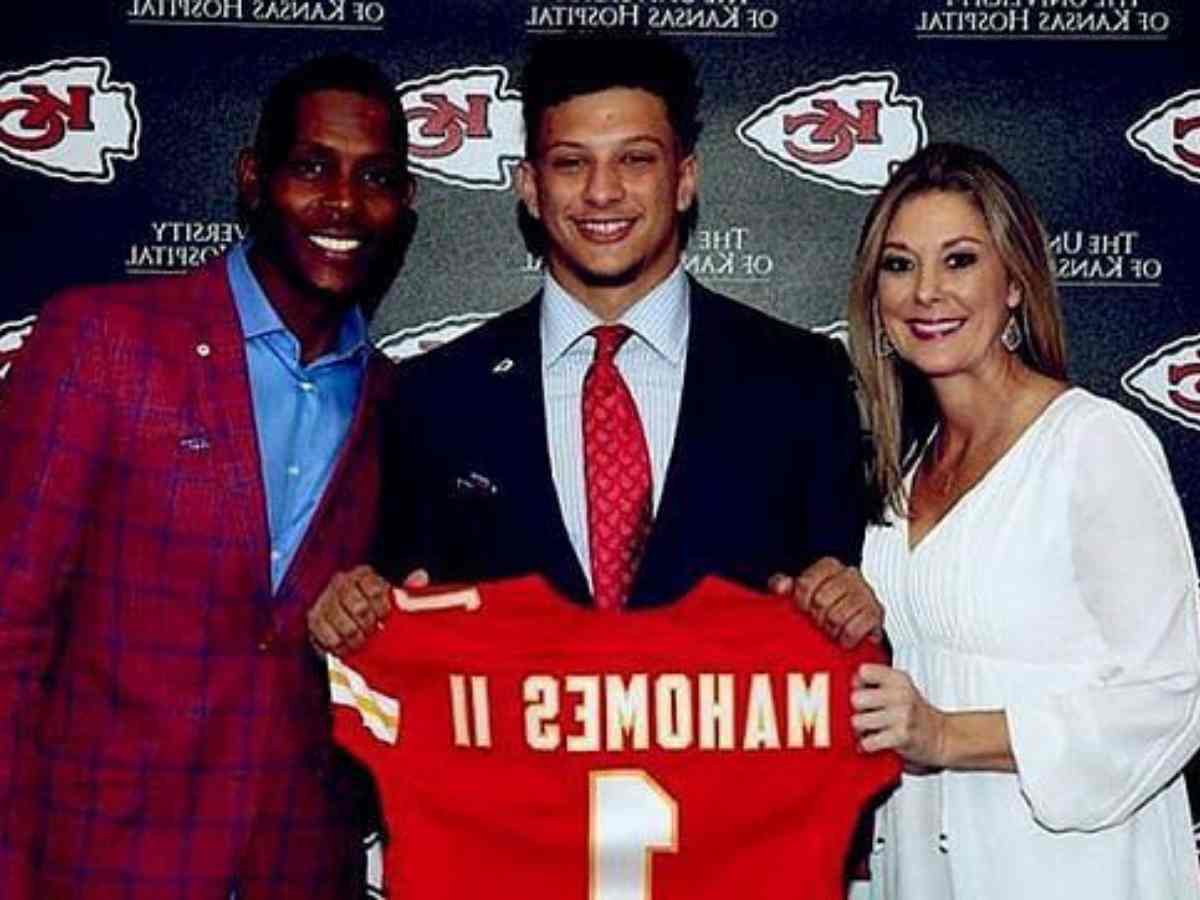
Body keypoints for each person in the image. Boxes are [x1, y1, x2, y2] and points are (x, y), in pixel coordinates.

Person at [308, 32, 880, 652]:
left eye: (635, 160)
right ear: (530, 186)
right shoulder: (437, 394)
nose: (602, 192)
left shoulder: (801, 379)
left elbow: (845, 627)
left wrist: (850, 609)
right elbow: (395, 629)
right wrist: (353, 617)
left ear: (685, 179)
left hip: (729, 750)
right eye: (571, 163)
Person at [0, 53, 415, 899]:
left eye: (374, 177)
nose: (343, 203)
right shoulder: (103, 341)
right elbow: (8, 629)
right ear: (253, 179)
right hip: (95, 863)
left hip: (295, 868)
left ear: (405, 204)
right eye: (313, 167)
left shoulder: (398, 406)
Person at [842, 142, 1200, 898]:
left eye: (960, 260)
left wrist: (945, 734)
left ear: (1014, 283)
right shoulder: (907, 470)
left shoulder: (1092, 443)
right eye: (900, 265)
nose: (927, 292)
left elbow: (1174, 691)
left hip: (1071, 868)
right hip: (927, 859)